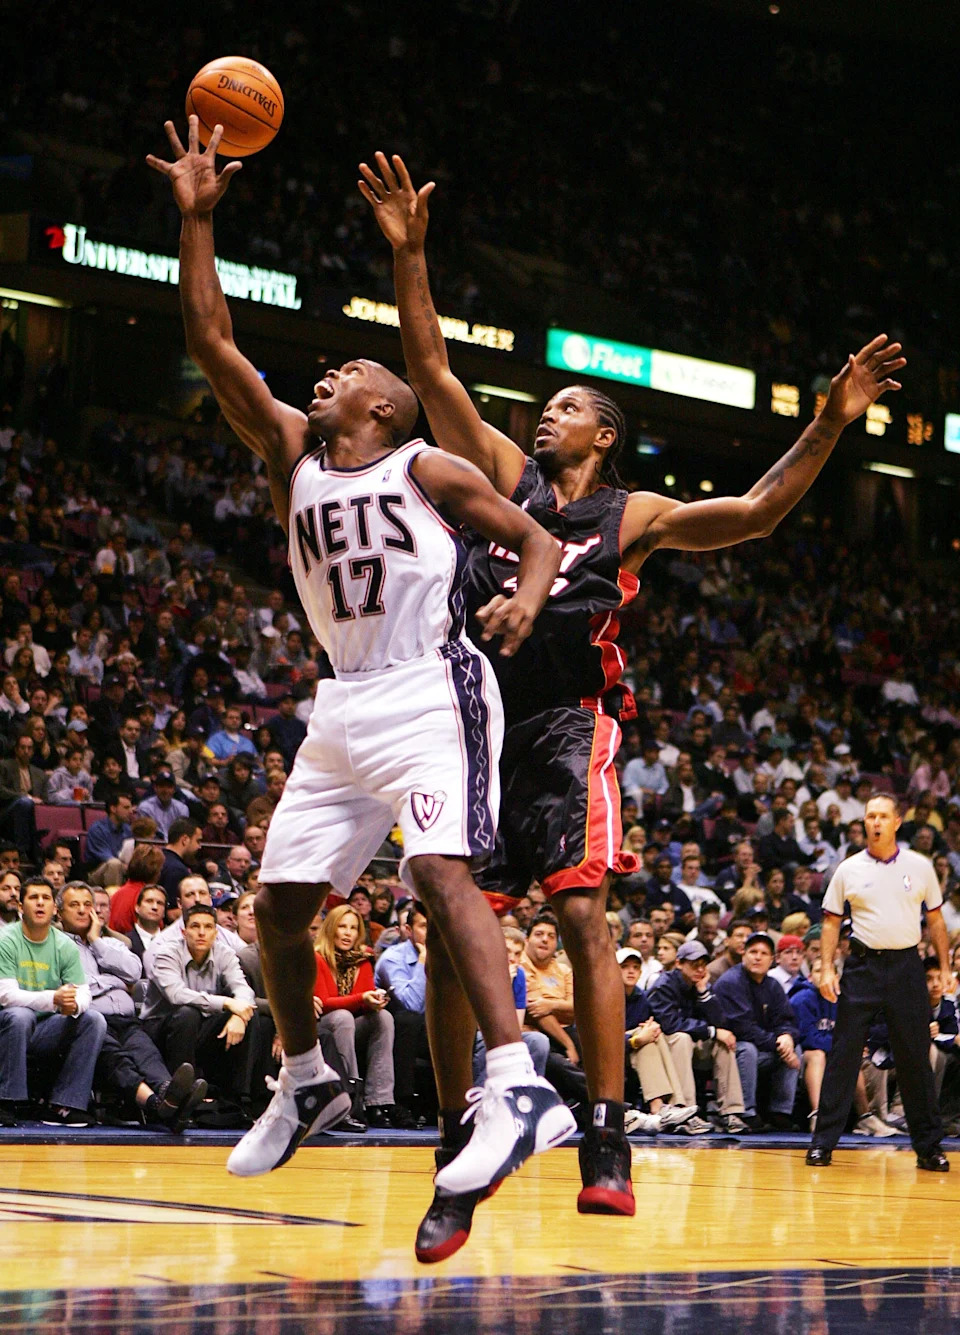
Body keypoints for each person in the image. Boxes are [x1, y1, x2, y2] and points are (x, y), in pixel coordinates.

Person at [362, 147, 904, 1224]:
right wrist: (411, 256)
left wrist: (830, 422)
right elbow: (431, 374)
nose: (545, 417)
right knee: (446, 927)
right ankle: (459, 1129)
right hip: (470, 721)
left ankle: (604, 1137)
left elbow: (752, 513)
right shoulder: (503, 480)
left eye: (565, 407)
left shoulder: (633, 514)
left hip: (567, 725)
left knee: (581, 917)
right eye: (546, 406)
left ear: (601, 436)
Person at [147, 117, 572, 1228]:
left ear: (381, 406)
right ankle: (304, 1079)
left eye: (347, 373)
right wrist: (197, 225)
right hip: (340, 705)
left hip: (433, 686)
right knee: (279, 912)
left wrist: (525, 595)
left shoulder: (423, 462)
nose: (324, 378)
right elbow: (212, 345)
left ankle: (518, 1083)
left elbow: (530, 537)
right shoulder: (293, 456)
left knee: (439, 877)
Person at [807, 792, 951, 1170]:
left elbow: (935, 921)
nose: (875, 823)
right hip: (862, 966)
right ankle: (822, 1143)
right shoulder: (848, 869)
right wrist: (826, 968)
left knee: (915, 1057)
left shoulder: (919, 867)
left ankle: (929, 1148)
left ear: (897, 821)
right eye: (870, 816)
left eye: (882, 816)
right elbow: (831, 922)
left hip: (907, 968)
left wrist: (947, 969)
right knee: (844, 1055)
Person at [56, 882, 207, 1130]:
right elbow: (76, 987)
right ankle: (155, 1105)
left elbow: (134, 972)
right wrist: (114, 981)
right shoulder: (57, 945)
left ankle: (169, 1096)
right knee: (118, 1060)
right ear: (59, 913)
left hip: (126, 1020)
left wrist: (95, 939)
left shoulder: (110, 942)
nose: (83, 911)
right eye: (75, 905)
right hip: (88, 1022)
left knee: (147, 1053)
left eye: (87, 905)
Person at [0, 877, 107, 1125]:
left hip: (44, 1029)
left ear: (54, 909)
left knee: (94, 1019)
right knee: (20, 1015)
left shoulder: (64, 945)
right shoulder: (6, 940)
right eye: (33, 898)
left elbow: (83, 992)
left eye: (46, 898)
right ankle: (8, 1100)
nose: (40, 903)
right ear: (20, 906)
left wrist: (74, 1004)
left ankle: (65, 1105)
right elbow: (5, 995)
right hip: (7, 1026)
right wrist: (54, 999)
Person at [141, 902, 260, 1113]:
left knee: (250, 1017)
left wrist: (239, 1016)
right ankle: (181, 1096)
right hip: (159, 1029)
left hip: (200, 1026)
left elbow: (244, 990)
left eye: (208, 927)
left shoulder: (224, 952)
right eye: (195, 926)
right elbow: (176, 994)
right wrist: (226, 1002)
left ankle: (236, 1101)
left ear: (216, 932)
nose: (202, 933)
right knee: (188, 1014)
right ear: (184, 931)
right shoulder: (167, 953)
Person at [313, 904, 403, 1129]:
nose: (347, 933)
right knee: (342, 1016)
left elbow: (362, 1003)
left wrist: (374, 1001)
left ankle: (378, 1102)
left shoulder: (362, 959)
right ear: (331, 929)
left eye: (353, 928)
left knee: (384, 1018)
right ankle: (349, 1098)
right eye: (342, 927)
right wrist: (362, 998)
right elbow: (324, 1003)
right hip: (322, 1025)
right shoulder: (317, 957)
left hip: (351, 1023)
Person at [647, 941, 748, 1133]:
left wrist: (703, 993)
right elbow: (671, 1024)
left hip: (693, 1046)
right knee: (682, 1038)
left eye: (703, 964)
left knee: (723, 1043)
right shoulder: (664, 985)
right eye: (694, 964)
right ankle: (685, 1112)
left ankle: (730, 1112)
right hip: (664, 1047)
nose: (700, 969)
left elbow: (720, 1022)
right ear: (679, 964)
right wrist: (711, 1031)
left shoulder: (700, 985)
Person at [714, 932, 801, 1130]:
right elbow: (743, 1029)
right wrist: (778, 1043)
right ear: (743, 954)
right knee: (748, 1049)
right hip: (729, 1049)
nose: (758, 957)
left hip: (763, 1046)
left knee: (794, 1048)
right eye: (753, 951)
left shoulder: (772, 985)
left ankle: (780, 1112)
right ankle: (746, 1112)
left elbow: (787, 1020)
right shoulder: (731, 982)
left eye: (763, 953)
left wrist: (786, 1037)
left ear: (772, 960)